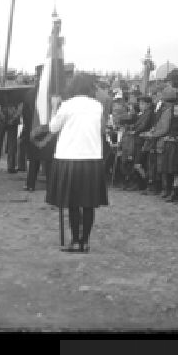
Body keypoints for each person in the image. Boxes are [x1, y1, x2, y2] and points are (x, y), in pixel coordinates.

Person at [44, 73, 108, 254]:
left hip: (69, 156)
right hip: (91, 157)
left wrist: (54, 107)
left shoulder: (67, 105)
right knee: (88, 203)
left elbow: (52, 128)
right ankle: (85, 241)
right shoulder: (97, 106)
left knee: (73, 202)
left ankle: (75, 240)